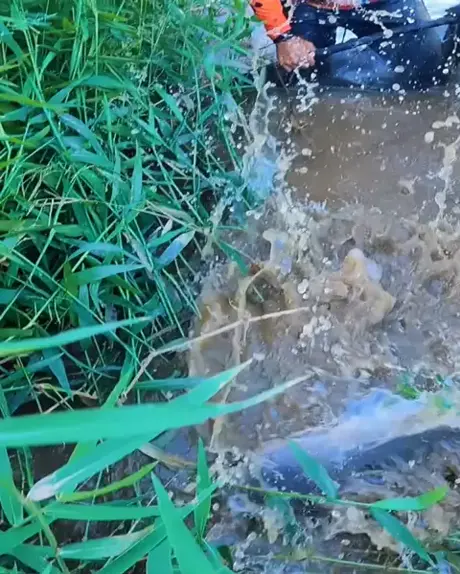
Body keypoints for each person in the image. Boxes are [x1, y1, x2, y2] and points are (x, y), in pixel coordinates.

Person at [251, 0, 445, 88]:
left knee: (431, 71)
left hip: (387, 3)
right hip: (309, 5)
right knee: (302, 79)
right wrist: (282, 36)